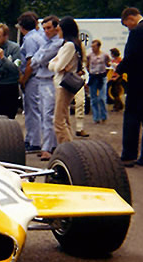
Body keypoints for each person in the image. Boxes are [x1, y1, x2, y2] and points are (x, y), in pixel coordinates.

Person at [112, 7, 143, 167]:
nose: (128, 28)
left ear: (131, 18)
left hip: (138, 82)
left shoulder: (138, 31)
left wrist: (118, 70)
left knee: (132, 118)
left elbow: (131, 55)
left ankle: (128, 155)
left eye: (127, 25)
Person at [30, 15, 63, 161]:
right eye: (44, 28)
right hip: (42, 79)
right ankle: (49, 146)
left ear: (57, 27)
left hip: (50, 80)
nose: (46, 31)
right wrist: (39, 59)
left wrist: (39, 59)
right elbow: (36, 59)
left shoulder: (58, 43)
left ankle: (47, 148)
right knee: (44, 115)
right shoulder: (47, 42)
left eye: (49, 28)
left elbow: (40, 59)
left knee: (48, 114)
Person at [48, 16, 83, 144]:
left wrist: (55, 64)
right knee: (65, 118)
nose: (58, 31)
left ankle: (66, 146)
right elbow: (55, 65)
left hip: (63, 85)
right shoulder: (71, 45)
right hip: (62, 84)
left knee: (58, 121)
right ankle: (69, 144)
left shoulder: (68, 46)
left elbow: (57, 66)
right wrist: (55, 64)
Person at [18, 13, 46, 151]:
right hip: (38, 77)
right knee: (33, 109)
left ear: (22, 26)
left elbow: (30, 62)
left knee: (32, 109)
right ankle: (31, 138)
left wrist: (24, 79)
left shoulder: (29, 40)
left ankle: (34, 142)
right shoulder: (39, 36)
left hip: (32, 77)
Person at [87, 39, 110, 123]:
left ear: (98, 46)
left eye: (94, 46)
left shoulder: (104, 55)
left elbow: (108, 64)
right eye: (92, 47)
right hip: (93, 77)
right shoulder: (89, 56)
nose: (93, 48)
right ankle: (96, 117)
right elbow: (87, 65)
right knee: (93, 98)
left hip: (101, 77)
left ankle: (103, 116)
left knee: (101, 98)